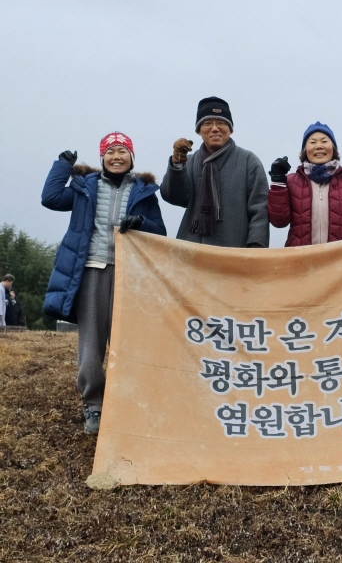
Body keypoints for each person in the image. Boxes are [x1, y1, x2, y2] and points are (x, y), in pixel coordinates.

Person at [41, 132, 167, 434]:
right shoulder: (85, 187)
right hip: (92, 269)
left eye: (122, 150)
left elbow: (160, 232)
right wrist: (62, 167)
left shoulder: (144, 191)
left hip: (130, 274)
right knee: (92, 343)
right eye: (110, 151)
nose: (116, 156)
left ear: (132, 157)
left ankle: (126, 401)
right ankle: (94, 406)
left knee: (128, 342)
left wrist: (142, 225)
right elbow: (50, 199)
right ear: (102, 158)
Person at [160, 96, 269, 248]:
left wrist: (256, 246)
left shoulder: (248, 161)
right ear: (199, 130)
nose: (215, 128)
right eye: (207, 123)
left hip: (234, 251)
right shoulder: (190, 161)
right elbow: (174, 197)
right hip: (192, 250)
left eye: (221, 123)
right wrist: (177, 165)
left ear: (230, 129)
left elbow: (260, 208)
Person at [267, 122, 342, 246]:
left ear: (333, 148)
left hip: (340, 260)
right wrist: (278, 181)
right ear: (305, 150)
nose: (319, 146)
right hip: (300, 260)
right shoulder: (291, 182)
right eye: (312, 142)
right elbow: (279, 221)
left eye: (324, 141)